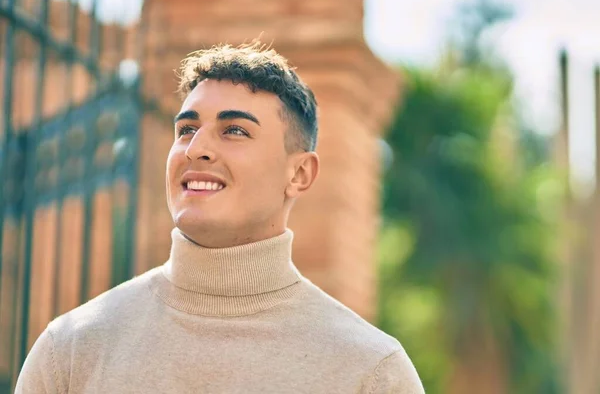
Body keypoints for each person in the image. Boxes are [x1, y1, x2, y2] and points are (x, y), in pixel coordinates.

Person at [16, 42, 424, 393]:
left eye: (235, 131)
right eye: (187, 129)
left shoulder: (370, 372)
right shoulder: (69, 350)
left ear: (299, 173)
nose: (196, 149)